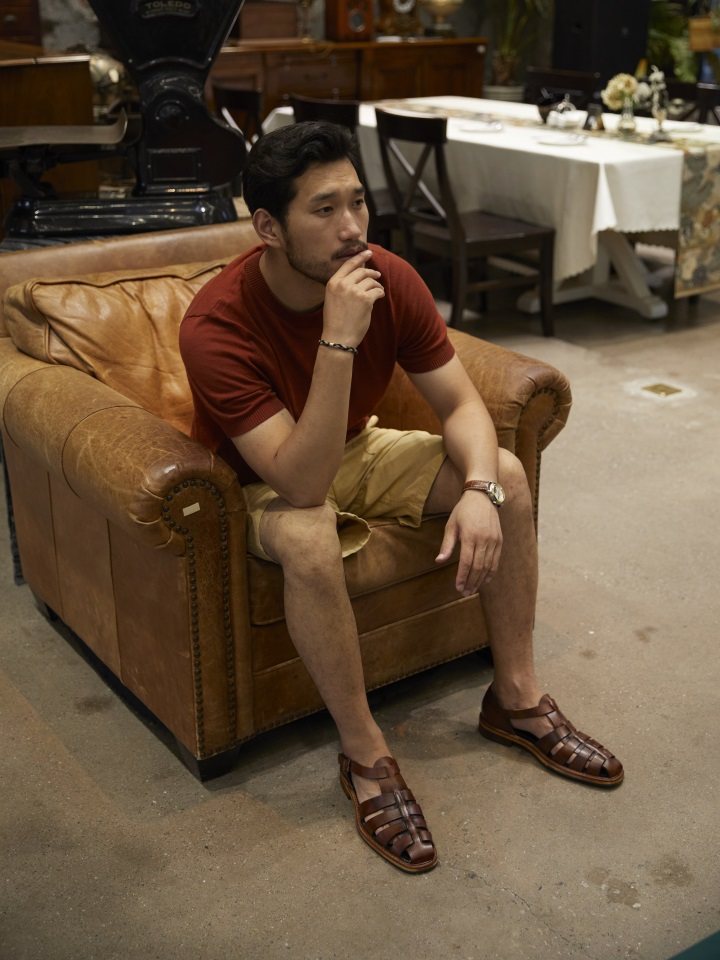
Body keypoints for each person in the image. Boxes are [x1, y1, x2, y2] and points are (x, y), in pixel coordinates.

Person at [179, 120, 623, 875]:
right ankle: (366, 756)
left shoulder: (388, 275)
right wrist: (338, 339)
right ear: (268, 229)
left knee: (508, 476)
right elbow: (299, 482)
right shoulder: (216, 325)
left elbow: (461, 405)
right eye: (324, 210)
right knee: (309, 531)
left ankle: (515, 699)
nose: (352, 228)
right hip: (258, 481)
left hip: (355, 447)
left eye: (357, 201)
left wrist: (479, 489)